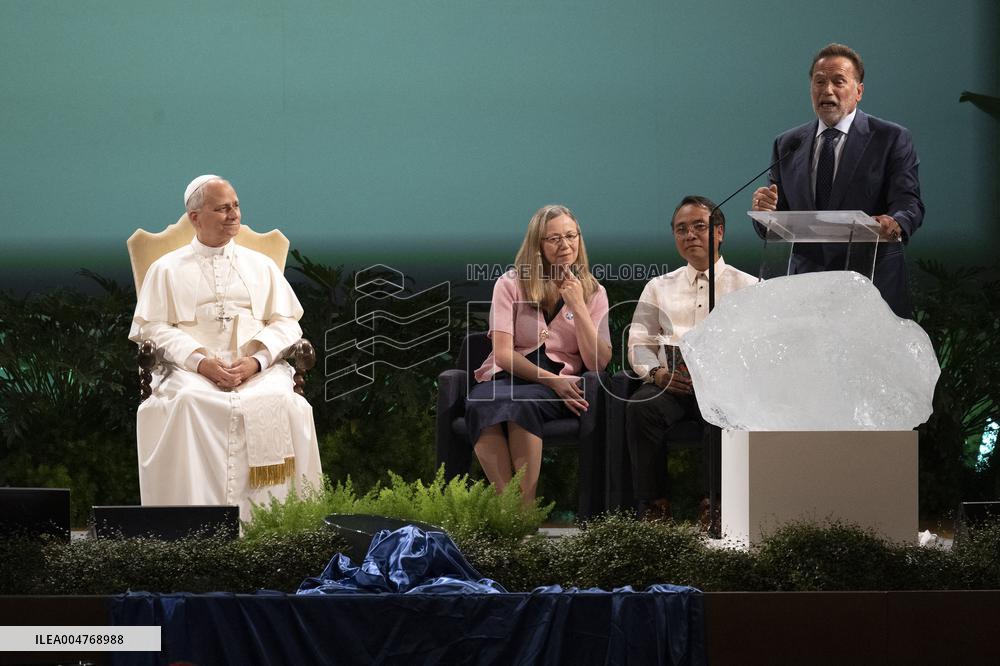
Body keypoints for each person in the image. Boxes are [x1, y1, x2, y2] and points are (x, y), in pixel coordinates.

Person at [130, 175, 323, 522]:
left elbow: (287, 323)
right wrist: (200, 362)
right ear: (195, 217)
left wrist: (257, 361)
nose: (233, 214)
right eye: (221, 209)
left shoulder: (261, 266)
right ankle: (192, 525)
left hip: (254, 369)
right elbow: (153, 327)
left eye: (235, 205)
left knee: (284, 402)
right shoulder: (166, 269)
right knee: (188, 402)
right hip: (190, 370)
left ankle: (278, 525)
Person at [751, 43, 924, 318]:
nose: (827, 90)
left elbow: (909, 202)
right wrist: (765, 213)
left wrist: (896, 222)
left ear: (858, 91)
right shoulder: (787, 143)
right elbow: (778, 224)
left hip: (871, 284)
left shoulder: (890, 138)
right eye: (819, 81)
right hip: (806, 288)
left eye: (838, 81)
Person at [467, 204, 612, 504]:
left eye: (571, 236)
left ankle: (522, 508)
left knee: (521, 404)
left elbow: (598, 362)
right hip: (512, 373)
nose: (565, 245)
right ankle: (512, 509)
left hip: (562, 381)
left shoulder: (594, 292)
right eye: (554, 238)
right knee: (482, 402)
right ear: (537, 245)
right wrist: (549, 381)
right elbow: (504, 355)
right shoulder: (509, 284)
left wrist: (579, 308)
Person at [626, 196, 757, 520]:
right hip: (671, 383)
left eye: (700, 226)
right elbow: (638, 340)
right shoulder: (658, 287)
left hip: (723, 388)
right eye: (681, 229)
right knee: (641, 407)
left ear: (720, 232)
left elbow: (758, 347)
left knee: (722, 412)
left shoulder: (748, 286)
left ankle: (715, 505)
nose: (690, 235)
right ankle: (654, 506)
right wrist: (656, 373)